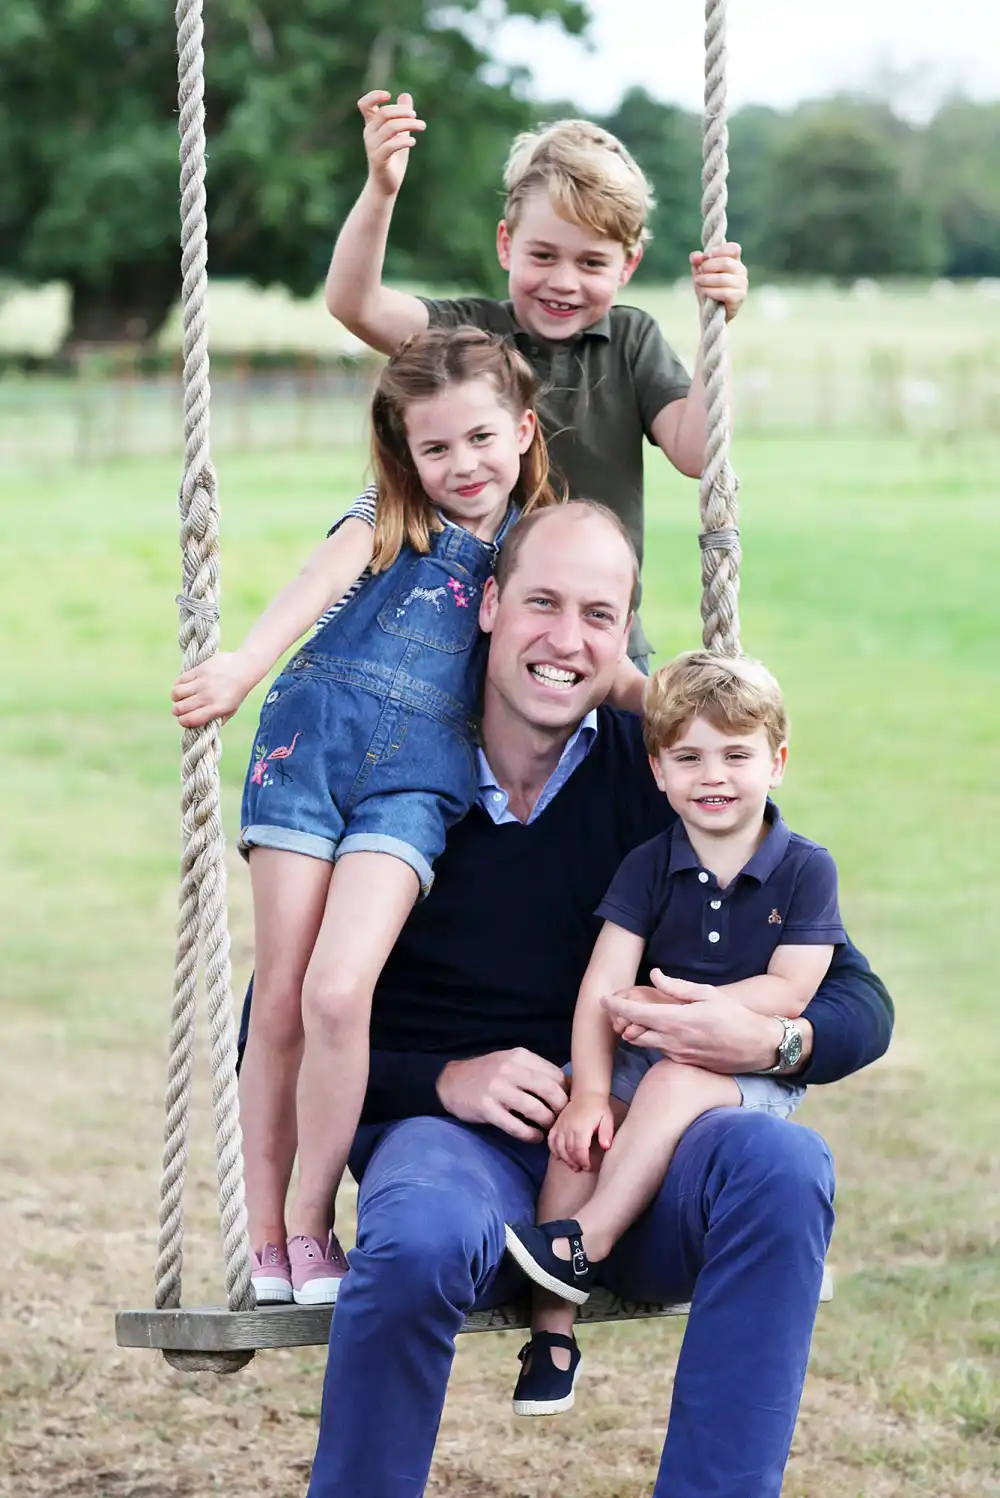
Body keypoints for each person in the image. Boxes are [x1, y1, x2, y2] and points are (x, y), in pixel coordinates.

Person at [274, 500, 895, 1498]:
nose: (567, 641)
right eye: (543, 604)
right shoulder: (394, 779)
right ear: (487, 605)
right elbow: (290, 1023)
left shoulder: (662, 782)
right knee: (421, 1229)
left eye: (599, 615)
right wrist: (444, 1077)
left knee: (780, 1162)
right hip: (453, 1144)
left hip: (632, 1160)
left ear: (623, 637)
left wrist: (766, 1035)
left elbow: (858, 999)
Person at [170, 326, 576, 1309]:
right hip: (308, 746)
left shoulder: (533, 542)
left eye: (481, 439)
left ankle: (313, 1221)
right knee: (278, 1001)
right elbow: (313, 589)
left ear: (522, 429)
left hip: (418, 777)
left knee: (337, 993)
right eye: (435, 448)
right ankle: (264, 1236)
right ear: (406, 454)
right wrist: (240, 665)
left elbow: (571, 642)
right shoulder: (388, 511)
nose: (462, 465)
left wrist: (664, 701)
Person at [503, 650, 847, 1416]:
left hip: (746, 1066)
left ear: (777, 762)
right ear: (658, 771)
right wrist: (591, 1093)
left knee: (674, 1078)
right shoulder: (649, 866)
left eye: (736, 754)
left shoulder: (805, 870)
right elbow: (602, 986)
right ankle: (552, 1332)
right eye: (689, 757)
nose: (713, 776)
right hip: (647, 1046)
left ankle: (586, 1239)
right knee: (576, 1134)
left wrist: (699, 1016)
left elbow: (794, 988)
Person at [324, 96, 749, 667]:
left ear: (627, 268)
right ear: (506, 244)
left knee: (626, 751)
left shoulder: (631, 341)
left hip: (600, 642)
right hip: (471, 641)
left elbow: (697, 451)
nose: (564, 282)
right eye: (543, 255)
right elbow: (356, 304)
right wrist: (381, 188)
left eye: (592, 263)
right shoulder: (469, 335)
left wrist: (713, 327)